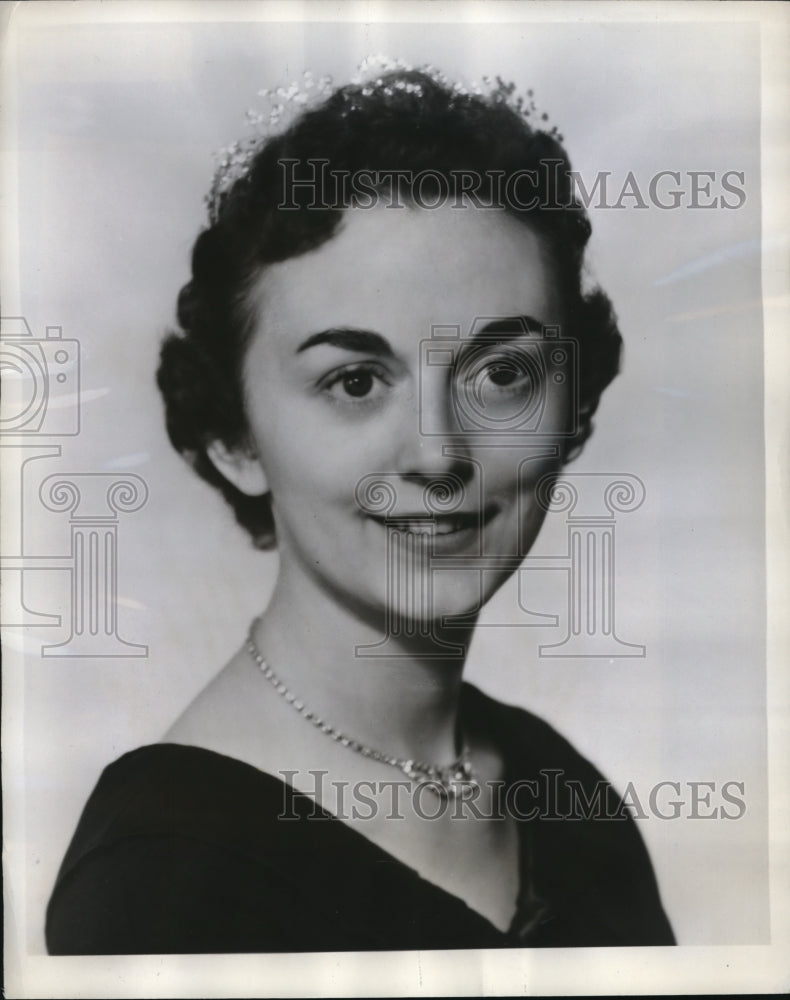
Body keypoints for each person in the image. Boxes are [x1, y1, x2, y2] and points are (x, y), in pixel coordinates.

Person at [46, 58, 675, 953]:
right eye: (353, 381)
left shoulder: (562, 793)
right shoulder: (163, 878)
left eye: (502, 374)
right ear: (236, 435)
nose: (437, 454)